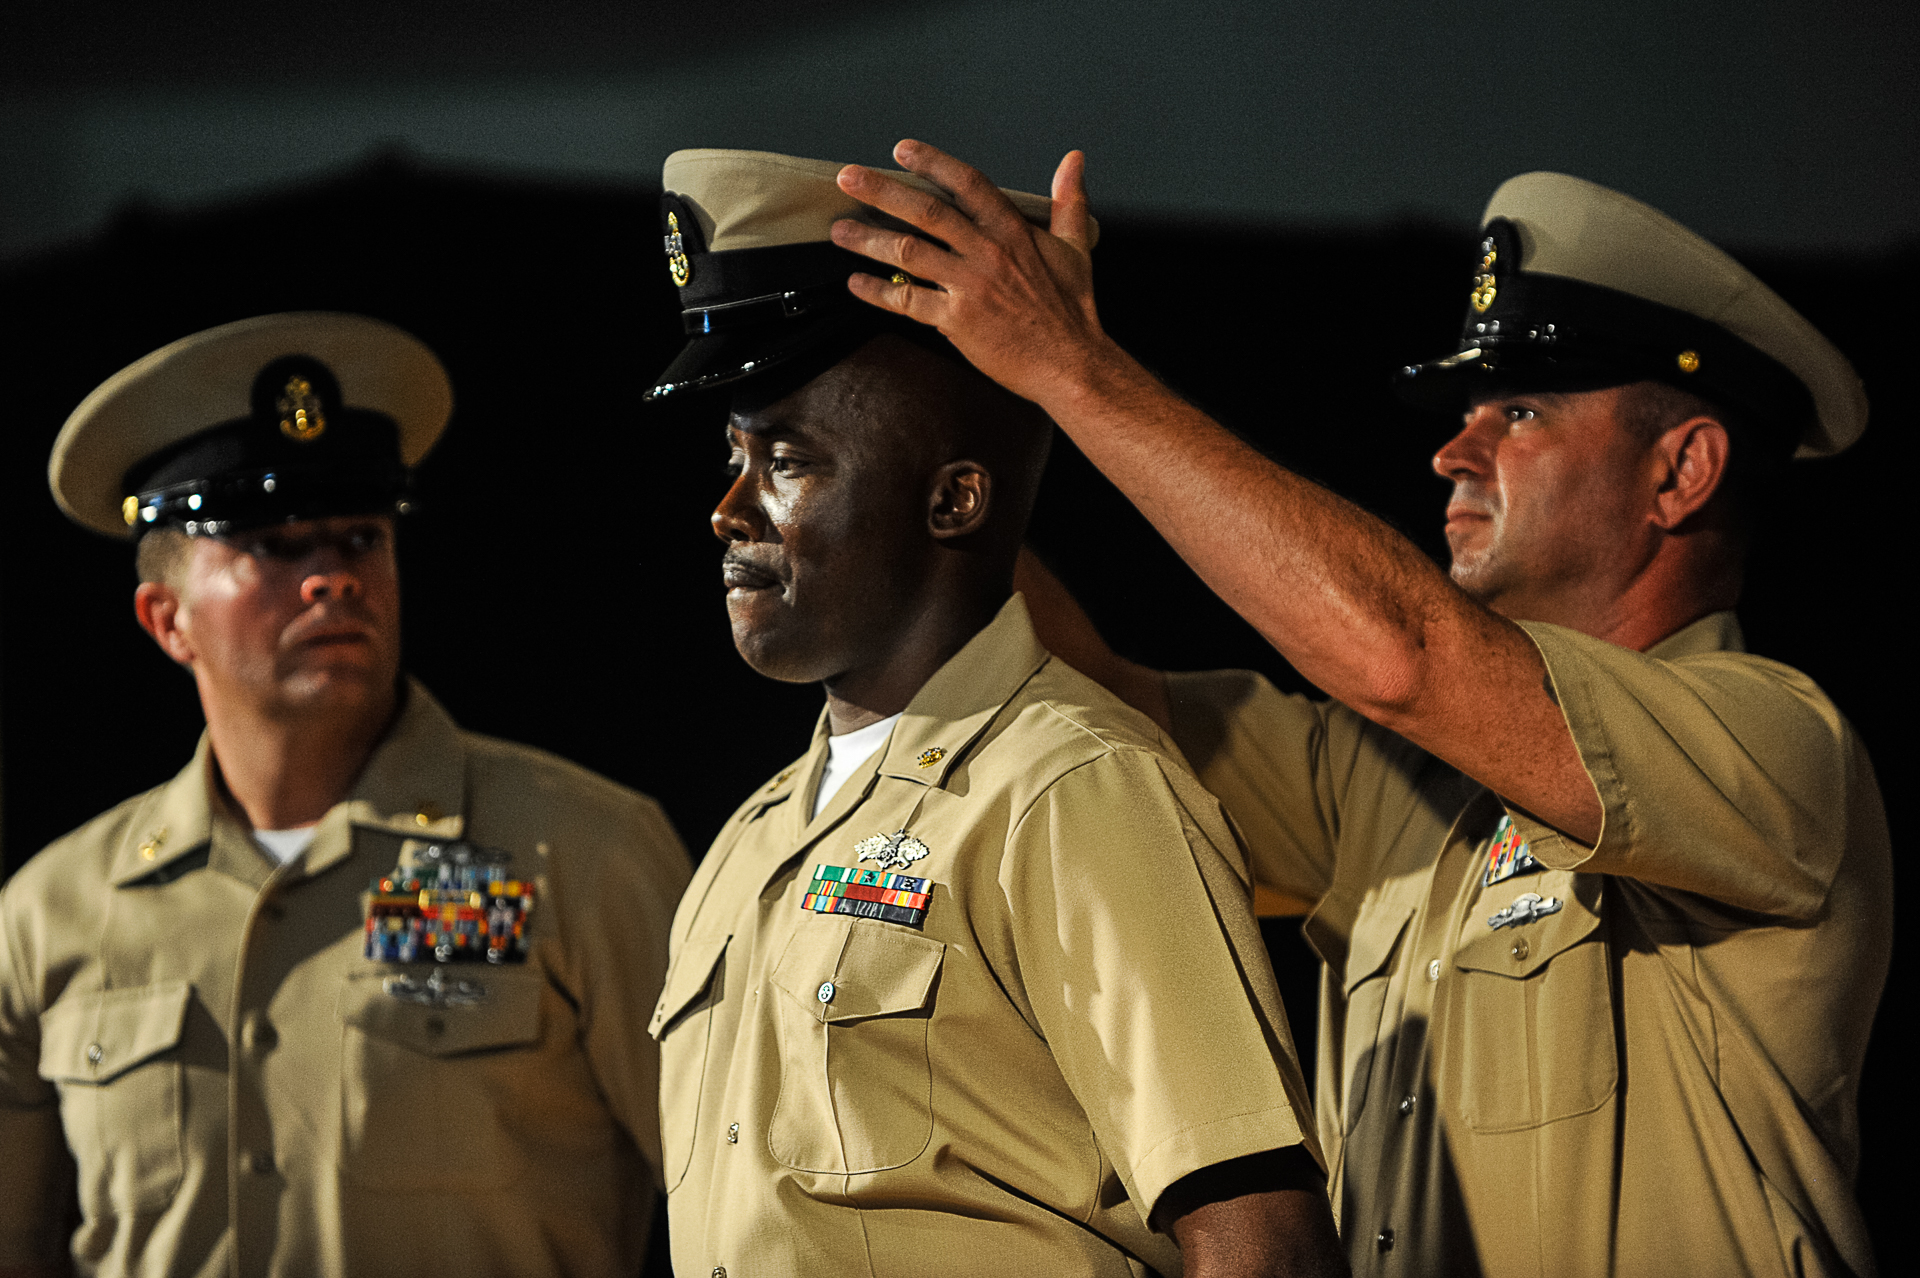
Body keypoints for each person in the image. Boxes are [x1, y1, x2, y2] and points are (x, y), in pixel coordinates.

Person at [826, 146, 1892, 1277]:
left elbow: (1409, 655)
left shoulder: (1778, 744)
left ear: (1683, 473)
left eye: (1519, 410)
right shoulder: (1396, 777)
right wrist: (967, 417)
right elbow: (1093, 693)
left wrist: (1075, 370)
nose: (1452, 451)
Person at [642, 148, 1348, 1278]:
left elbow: (1263, 1249)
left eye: (787, 461)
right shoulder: (750, 842)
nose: (730, 509)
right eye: (733, 457)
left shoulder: (1074, 789)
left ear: (954, 498)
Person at [0, 313, 691, 1276]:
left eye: (360, 537)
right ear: (167, 621)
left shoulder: (582, 849)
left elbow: (742, 1202)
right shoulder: (46, 915)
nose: (332, 578)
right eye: (278, 547)